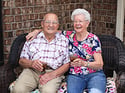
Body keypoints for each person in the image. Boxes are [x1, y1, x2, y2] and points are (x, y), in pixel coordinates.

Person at [26, 8, 106, 93]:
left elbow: (100, 64)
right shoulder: (68, 36)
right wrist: (37, 31)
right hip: (75, 75)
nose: (77, 24)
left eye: (80, 21)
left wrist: (84, 63)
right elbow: (50, 29)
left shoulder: (93, 39)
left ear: (87, 23)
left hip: (94, 74)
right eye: (75, 21)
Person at [11, 13, 70, 93]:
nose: (51, 25)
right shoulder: (32, 38)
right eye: (48, 22)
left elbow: (66, 64)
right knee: (18, 90)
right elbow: (21, 61)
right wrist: (31, 63)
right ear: (42, 24)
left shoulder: (64, 40)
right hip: (32, 71)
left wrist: (52, 74)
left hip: (52, 72)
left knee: (48, 91)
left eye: (54, 23)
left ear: (58, 25)